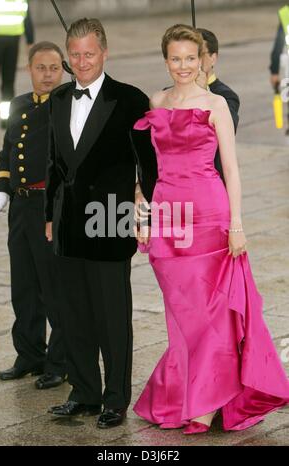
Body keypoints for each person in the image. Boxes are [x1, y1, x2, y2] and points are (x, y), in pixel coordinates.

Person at [133, 24, 289, 434]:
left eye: (190, 58)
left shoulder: (216, 104)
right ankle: (187, 391)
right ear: (165, 60)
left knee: (212, 311)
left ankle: (205, 402)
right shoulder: (156, 100)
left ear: (202, 60)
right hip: (168, 215)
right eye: (175, 58)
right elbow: (148, 169)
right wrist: (143, 212)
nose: (183, 66)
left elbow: (233, 170)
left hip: (209, 212)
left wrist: (237, 225)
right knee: (181, 312)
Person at [45, 18, 157, 428]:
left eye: (88, 53)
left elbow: (150, 167)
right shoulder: (58, 98)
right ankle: (85, 392)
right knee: (73, 314)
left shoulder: (129, 99)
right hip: (67, 223)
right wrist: (48, 218)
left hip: (110, 221)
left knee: (112, 317)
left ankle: (114, 399)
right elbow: (53, 163)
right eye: (74, 54)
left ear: (104, 52)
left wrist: (144, 214)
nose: (81, 61)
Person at [0, 41, 66, 390]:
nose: (48, 74)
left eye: (54, 67)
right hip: (20, 207)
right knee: (23, 284)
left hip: (48, 206)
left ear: (62, 70)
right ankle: (29, 354)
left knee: (53, 287)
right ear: (30, 69)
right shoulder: (19, 104)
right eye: (41, 68)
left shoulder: (67, 105)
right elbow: (8, 150)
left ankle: (59, 360)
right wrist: (2, 189)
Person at [197, 28, 239, 184]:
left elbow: (226, 132)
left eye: (200, 54)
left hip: (211, 182)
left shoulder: (226, 96)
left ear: (213, 58)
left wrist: (203, 93)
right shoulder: (168, 95)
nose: (194, 60)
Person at [0, 0, 34, 131]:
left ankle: (6, 118)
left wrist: (30, 42)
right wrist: (30, 40)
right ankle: (2, 119)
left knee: (6, 80)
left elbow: (26, 18)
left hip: (11, 42)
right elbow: (27, 19)